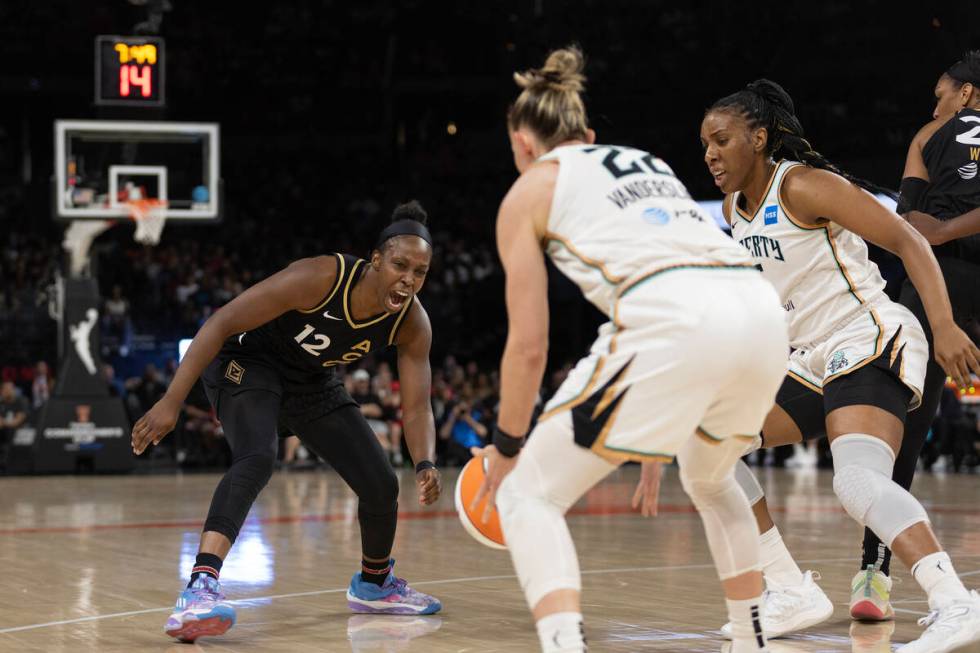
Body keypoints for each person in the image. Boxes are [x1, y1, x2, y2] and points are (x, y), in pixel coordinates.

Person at [474, 47, 789, 653]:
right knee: (712, 480)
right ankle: (752, 644)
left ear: (521, 143)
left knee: (527, 493)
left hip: (677, 322)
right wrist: (654, 446)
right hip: (757, 312)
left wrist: (510, 446)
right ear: (587, 135)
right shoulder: (648, 161)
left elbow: (529, 344)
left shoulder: (529, 190)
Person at [699, 78, 980, 652]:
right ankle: (787, 588)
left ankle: (956, 601)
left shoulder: (804, 186)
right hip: (813, 356)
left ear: (758, 137)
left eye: (721, 140)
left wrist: (945, 325)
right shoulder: (733, 208)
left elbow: (910, 241)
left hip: (870, 335)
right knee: (706, 442)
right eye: (704, 143)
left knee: (855, 481)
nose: (709, 153)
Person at [131, 201, 443, 642]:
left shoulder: (412, 323)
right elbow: (220, 322)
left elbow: (416, 407)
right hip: (244, 362)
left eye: (420, 271)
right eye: (400, 265)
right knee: (258, 458)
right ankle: (199, 588)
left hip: (309, 380)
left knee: (381, 483)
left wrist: (425, 462)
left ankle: (374, 584)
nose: (409, 279)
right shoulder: (320, 277)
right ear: (376, 260)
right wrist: (172, 400)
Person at [853, 50, 980, 616]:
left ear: (967, 95)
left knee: (903, 425)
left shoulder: (930, 135)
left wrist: (944, 226)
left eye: (942, 93)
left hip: (941, 280)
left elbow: (910, 223)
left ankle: (872, 578)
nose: (936, 104)